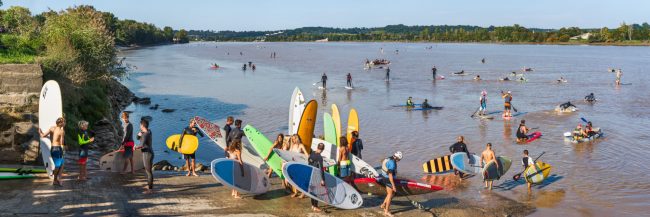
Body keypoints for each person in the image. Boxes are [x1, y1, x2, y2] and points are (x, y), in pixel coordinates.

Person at [39, 117, 66, 186]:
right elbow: (62, 143)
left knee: (62, 163)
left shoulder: (52, 128)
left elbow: (42, 136)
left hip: (53, 148)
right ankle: (56, 180)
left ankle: (57, 179)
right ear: (61, 123)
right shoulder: (61, 131)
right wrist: (64, 150)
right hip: (58, 149)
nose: (65, 123)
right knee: (58, 165)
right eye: (64, 122)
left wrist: (40, 132)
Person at [380, 151, 402, 217]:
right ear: (397, 158)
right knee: (390, 194)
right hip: (388, 179)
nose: (399, 161)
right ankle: (386, 211)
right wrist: (393, 185)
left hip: (383, 176)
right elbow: (390, 175)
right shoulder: (392, 163)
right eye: (399, 159)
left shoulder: (389, 158)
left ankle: (383, 205)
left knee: (390, 193)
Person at [136, 119, 154, 194]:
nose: (140, 126)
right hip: (149, 153)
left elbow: (141, 145)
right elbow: (138, 138)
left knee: (148, 172)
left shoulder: (145, 134)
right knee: (147, 171)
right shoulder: (148, 131)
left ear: (142, 125)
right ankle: (149, 186)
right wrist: (139, 134)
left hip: (147, 154)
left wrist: (135, 147)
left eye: (140, 125)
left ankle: (150, 190)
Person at [308, 143, 327, 212]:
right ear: (323, 149)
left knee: (312, 190)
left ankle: (313, 205)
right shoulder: (319, 157)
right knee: (316, 191)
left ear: (317, 147)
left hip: (310, 173)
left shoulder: (312, 153)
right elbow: (321, 169)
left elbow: (309, 161)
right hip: (316, 175)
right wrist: (323, 179)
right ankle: (315, 206)